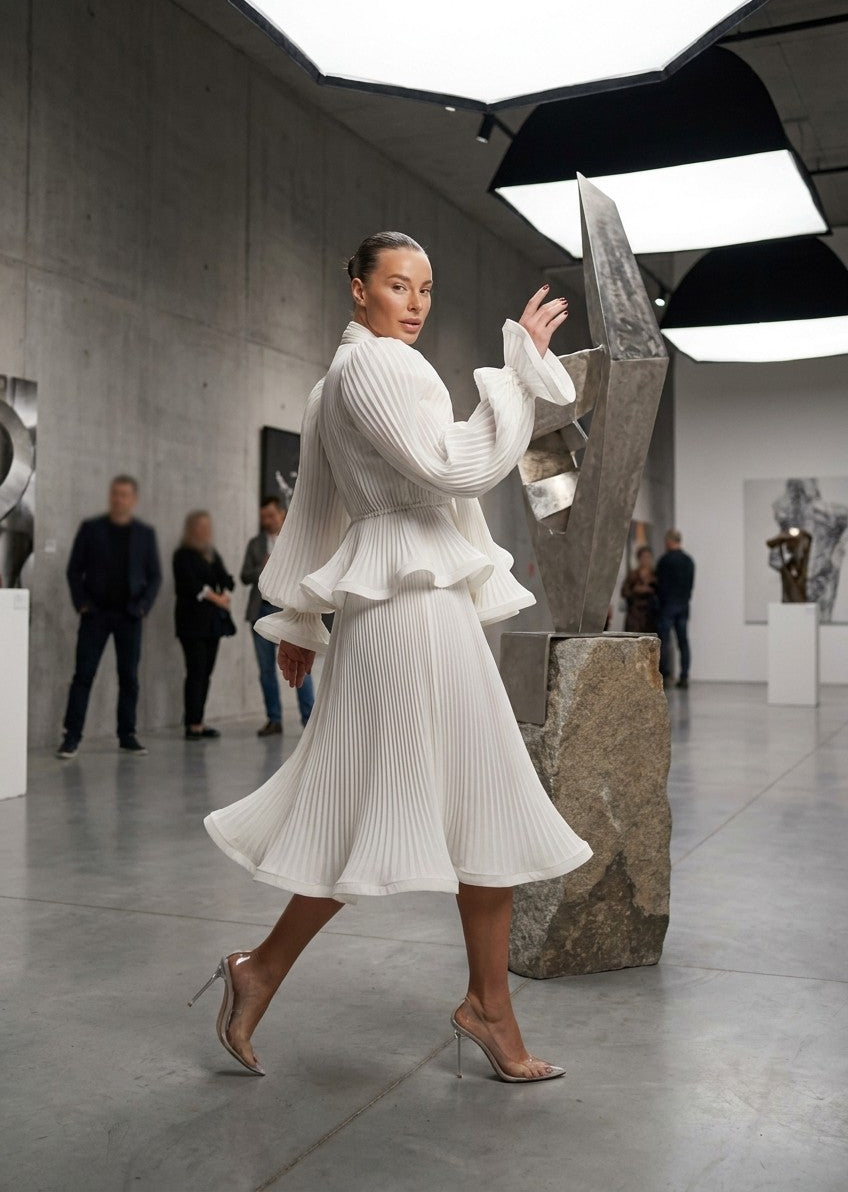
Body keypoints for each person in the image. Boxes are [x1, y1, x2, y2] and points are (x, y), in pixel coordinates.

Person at [190, 231, 593, 1083]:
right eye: (399, 285)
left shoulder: (334, 383)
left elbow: (316, 511)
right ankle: (454, 1002)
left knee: (431, 801)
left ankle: (468, 1003)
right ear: (358, 289)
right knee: (446, 797)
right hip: (411, 609)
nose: (415, 303)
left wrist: (302, 621)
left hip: (410, 603)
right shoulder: (377, 367)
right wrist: (518, 372)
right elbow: (454, 468)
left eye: (426, 289)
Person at [57, 475, 161, 759]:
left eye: (124, 495)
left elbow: (155, 576)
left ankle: (127, 735)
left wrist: (143, 607)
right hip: (96, 614)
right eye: (115, 494)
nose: (118, 499)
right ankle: (71, 737)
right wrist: (82, 604)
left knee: (129, 678)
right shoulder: (91, 529)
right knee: (83, 675)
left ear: (133, 499)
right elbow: (73, 570)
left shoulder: (144, 534)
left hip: (130, 615)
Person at [241, 496, 315, 736]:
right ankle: (274, 720)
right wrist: (263, 566)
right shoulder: (255, 544)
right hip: (261, 611)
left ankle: (309, 721)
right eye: (263, 517)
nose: (267, 521)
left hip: (288, 611)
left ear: (282, 514)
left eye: (271, 515)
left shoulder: (297, 541)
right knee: (266, 671)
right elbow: (244, 576)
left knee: (300, 666)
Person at [173, 511, 236, 741]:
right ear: (191, 529)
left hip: (212, 625)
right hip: (191, 624)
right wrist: (217, 599)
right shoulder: (182, 555)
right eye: (200, 526)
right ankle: (192, 723)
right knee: (196, 671)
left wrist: (225, 593)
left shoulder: (211, 553)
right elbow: (190, 585)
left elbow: (226, 578)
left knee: (206, 672)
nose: (205, 531)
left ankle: (198, 719)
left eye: (207, 526)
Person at [656, 529, 695, 689]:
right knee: (683, 641)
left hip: (667, 606)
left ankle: (664, 676)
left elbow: (660, 585)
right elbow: (690, 586)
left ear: (669, 541)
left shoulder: (665, 561)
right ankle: (684, 676)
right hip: (683, 605)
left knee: (664, 641)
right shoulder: (688, 561)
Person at [621, 545, 658, 633]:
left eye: (648, 557)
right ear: (639, 558)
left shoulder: (655, 575)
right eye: (643, 557)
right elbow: (624, 592)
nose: (646, 560)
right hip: (635, 615)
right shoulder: (633, 575)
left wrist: (650, 590)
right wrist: (635, 590)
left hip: (651, 615)